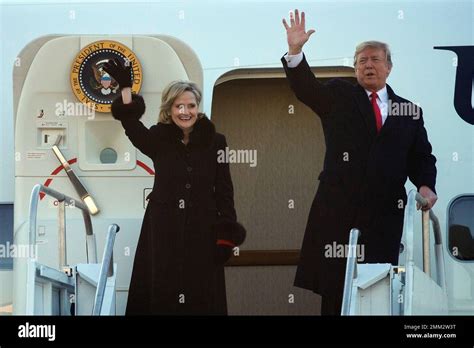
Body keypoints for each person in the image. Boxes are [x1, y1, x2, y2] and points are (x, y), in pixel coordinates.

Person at [281, 10, 438, 315]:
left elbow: (421, 157)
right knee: (337, 296)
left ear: (389, 67)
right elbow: (306, 89)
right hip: (338, 218)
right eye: (361, 60)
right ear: (354, 69)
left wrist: (426, 185)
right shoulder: (339, 96)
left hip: (383, 220)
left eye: (375, 59)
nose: (368, 65)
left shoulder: (410, 111)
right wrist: (296, 52)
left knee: (377, 295)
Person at [103, 59, 246, 315]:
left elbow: (225, 191)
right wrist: (125, 88)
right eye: (179, 106)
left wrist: (225, 236)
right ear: (169, 109)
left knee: (202, 294)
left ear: (197, 108)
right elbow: (132, 126)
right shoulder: (158, 137)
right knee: (163, 292)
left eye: (191, 106)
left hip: (203, 231)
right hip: (163, 230)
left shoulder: (216, 142)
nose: (185, 112)